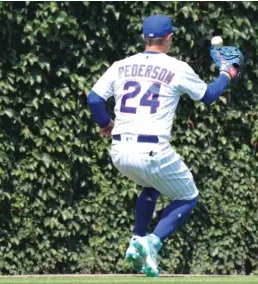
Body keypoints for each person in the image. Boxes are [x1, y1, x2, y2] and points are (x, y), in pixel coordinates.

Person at [87, 14, 241, 277]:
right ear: (169, 38)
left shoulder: (122, 65)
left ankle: (137, 239)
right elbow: (209, 96)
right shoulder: (176, 67)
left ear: (144, 39)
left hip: (119, 151)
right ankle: (152, 243)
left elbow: (93, 98)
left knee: (152, 184)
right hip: (152, 150)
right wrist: (227, 73)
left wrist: (105, 124)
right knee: (188, 196)